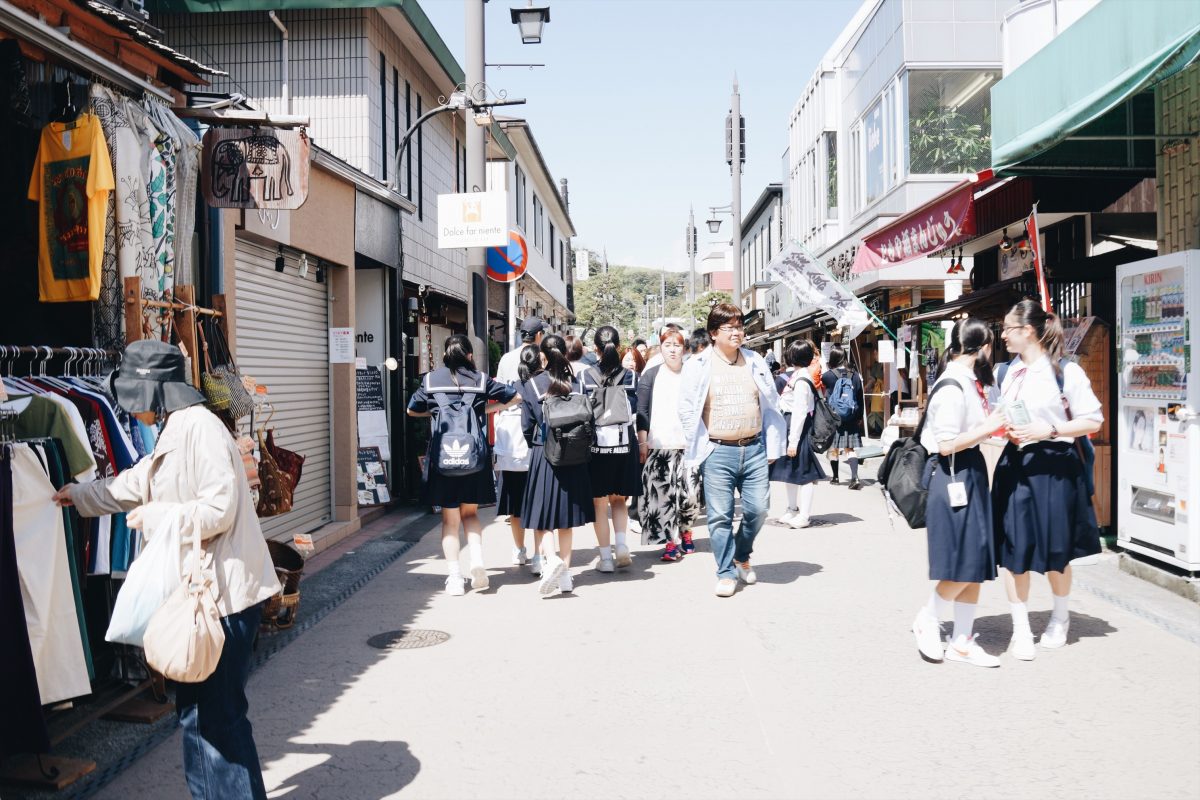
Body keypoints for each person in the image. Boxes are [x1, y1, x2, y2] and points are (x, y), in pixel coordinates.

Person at [54, 339, 280, 800]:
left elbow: (220, 509)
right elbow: (132, 484)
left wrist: (160, 518)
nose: (131, 411)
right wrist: (74, 496)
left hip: (225, 600)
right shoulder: (176, 429)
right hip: (208, 596)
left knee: (218, 721)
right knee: (200, 720)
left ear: (153, 391)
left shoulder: (199, 428)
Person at [992, 299, 1103, 659]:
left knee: (1057, 549)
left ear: (1028, 331)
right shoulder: (1006, 371)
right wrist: (1005, 431)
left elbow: (1093, 421)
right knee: (1014, 548)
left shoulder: (1066, 372)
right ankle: (1021, 628)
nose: (1003, 334)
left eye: (1008, 328)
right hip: (1016, 464)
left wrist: (1049, 429)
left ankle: (1060, 616)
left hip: (1056, 466)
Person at [909, 318, 1008, 668]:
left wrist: (994, 427)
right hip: (954, 475)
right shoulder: (953, 385)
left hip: (969, 473)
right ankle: (929, 618)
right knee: (963, 563)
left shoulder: (967, 381)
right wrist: (990, 427)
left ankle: (962, 640)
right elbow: (947, 444)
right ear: (983, 347)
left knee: (976, 560)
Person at [680, 303, 785, 597]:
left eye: (740, 327)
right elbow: (687, 409)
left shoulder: (755, 360)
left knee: (758, 510)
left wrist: (775, 441)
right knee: (719, 516)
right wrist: (697, 448)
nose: (738, 332)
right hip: (717, 450)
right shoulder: (697, 365)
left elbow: (770, 401)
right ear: (714, 333)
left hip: (753, 448)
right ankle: (726, 572)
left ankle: (741, 554)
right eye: (731, 328)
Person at [408, 334, 520, 596]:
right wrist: (487, 410)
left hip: (443, 459)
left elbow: (412, 410)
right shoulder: (480, 380)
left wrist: (434, 413)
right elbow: (515, 397)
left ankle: (455, 578)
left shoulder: (430, 380)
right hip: (474, 458)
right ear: (469, 355)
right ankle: (478, 563)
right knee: (470, 515)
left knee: (450, 519)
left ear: (446, 355)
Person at [519, 334, 596, 594]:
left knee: (544, 516)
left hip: (545, 453)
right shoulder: (576, 383)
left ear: (542, 356)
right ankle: (565, 576)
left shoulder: (533, 384)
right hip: (575, 456)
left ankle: (550, 560)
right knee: (566, 519)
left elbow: (526, 425)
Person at [636, 327, 701, 561]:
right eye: (668, 345)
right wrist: (643, 443)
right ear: (660, 348)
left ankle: (687, 532)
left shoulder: (693, 374)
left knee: (690, 494)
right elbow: (642, 411)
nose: (673, 350)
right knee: (663, 496)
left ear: (684, 348)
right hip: (658, 446)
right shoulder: (651, 375)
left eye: (677, 345)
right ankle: (670, 542)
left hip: (689, 445)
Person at [581, 326, 642, 573]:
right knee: (619, 500)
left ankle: (605, 558)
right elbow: (637, 412)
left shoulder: (586, 376)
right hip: (624, 443)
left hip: (596, 447)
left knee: (599, 503)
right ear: (618, 348)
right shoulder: (630, 377)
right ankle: (622, 544)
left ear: (596, 349)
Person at [494, 317, 545, 569]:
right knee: (537, 496)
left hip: (510, 435)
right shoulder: (542, 356)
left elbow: (499, 394)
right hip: (535, 437)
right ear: (538, 336)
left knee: (515, 497)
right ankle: (539, 555)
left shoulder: (506, 359)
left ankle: (518, 549)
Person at [770, 341, 827, 529]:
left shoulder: (802, 379)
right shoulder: (799, 375)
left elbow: (800, 412)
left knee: (805, 473)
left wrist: (793, 441)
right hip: (791, 426)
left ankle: (804, 515)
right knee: (791, 471)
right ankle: (792, 509)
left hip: (798, 429)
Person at [822, 344, 865, 490]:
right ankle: (855, 477)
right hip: (851, 416)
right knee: (850, 448)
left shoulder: (827, 376)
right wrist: (859, 416)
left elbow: (825, 397)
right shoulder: (855, 375)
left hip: (834, 417)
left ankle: (835, 477)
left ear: (832, 357)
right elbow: (860, 398)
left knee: (833, 448)